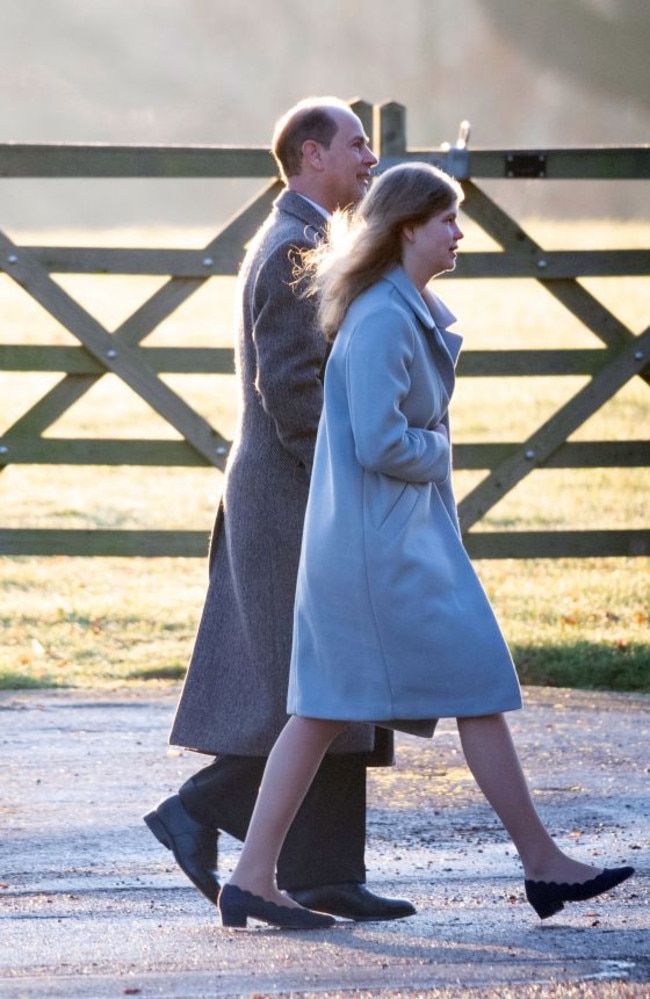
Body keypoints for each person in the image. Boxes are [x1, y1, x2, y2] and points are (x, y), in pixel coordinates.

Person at [217, 162, 635, 930]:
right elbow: (380, 441)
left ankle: (250, 877)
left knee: (323, 709)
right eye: (446, 219)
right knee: (460, 680)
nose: (460, 232)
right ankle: (540, 860)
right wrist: (438, 449)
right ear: (408, 226)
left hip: (384, 543)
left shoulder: (399, 308)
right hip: (384, 555)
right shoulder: (381, 317)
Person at [144, 97, 415, 923]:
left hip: (300, 490)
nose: (371, 157)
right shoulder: (295, 247)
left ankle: (327, 871)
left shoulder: (311, 238)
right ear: (311, 154)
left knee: (333, 672)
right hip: (292, 495)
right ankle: (195, 809)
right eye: (357, 143)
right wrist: (354, 472)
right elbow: (293, 388)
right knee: (318, 684)